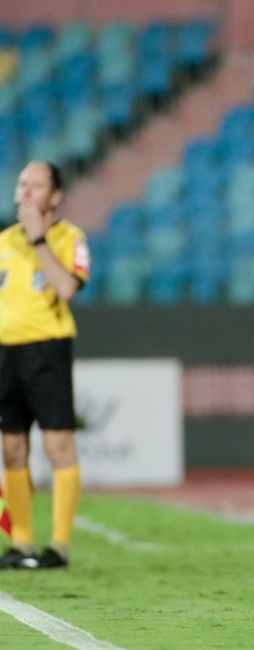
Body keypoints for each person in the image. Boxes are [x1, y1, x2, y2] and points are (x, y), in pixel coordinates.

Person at [0, 161, 90, 570]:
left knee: (57, 446)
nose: (24, 193)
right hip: (5, 352)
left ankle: (59, 545)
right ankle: (20, 542)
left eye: (35, 186)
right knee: (12, 447)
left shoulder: (71, 239)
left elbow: (68, 288)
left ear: (55, 197)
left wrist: (39, 240)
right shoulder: (3, 242)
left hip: (47, 349)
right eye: (21, 185)